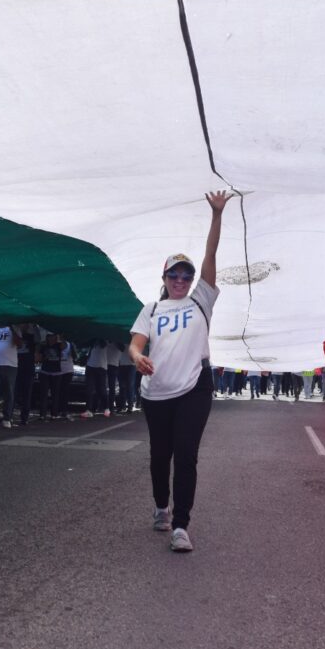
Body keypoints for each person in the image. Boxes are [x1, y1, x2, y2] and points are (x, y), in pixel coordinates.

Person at [129, 190, 232, 553]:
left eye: (186, 275)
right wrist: (137, 356)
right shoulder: (153, 308)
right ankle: (162, 508)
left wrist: (217, 214)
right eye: (175, 274)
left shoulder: (200, 300)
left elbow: (211, 256)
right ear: (165, 276)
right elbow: (136, 342)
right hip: (156, 390)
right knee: (161, 455)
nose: (181, 279)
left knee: (185, 452)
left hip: (195, 387)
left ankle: (181, 525)